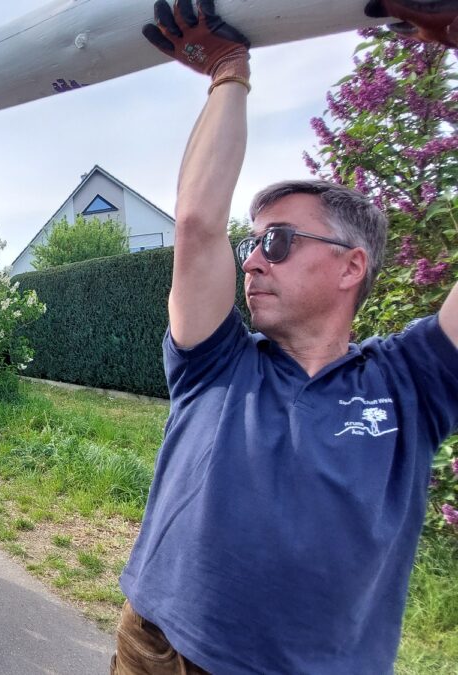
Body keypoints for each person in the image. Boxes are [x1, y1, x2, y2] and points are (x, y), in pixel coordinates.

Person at [113, 4, 458, 674]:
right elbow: (195, 224)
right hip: (158, 646)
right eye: (253, 242)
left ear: (351, 265)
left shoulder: (412, 382)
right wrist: (228, 73)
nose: (252, 261)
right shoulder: (216, 360)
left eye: (278, 241)